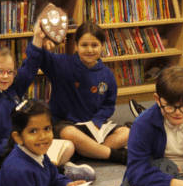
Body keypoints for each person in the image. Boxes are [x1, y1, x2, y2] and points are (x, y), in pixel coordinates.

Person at [0, 24, 93, 180]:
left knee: (68, 147)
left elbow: (28, 70)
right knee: (29, 165)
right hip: (4, 158)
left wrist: (38, 38)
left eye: (10, 72)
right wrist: (17, 143)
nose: (6, 76)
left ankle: (50, 169)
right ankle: (58, 173)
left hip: (22, 143)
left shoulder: (6, 87)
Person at [30, 21, 129, 164]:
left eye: (94, 45)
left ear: (102, 46)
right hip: (65, 124)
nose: (89, 50)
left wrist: (97, 121)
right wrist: (40, 40)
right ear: (76, 45)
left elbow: (108, 105)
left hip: (93, 126)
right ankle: (112, 155)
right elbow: (37, 56)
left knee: (126, 133)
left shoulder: (107, 74)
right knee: (69, 133)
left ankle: (87, 151)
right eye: (84, 45)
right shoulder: (62, 63)